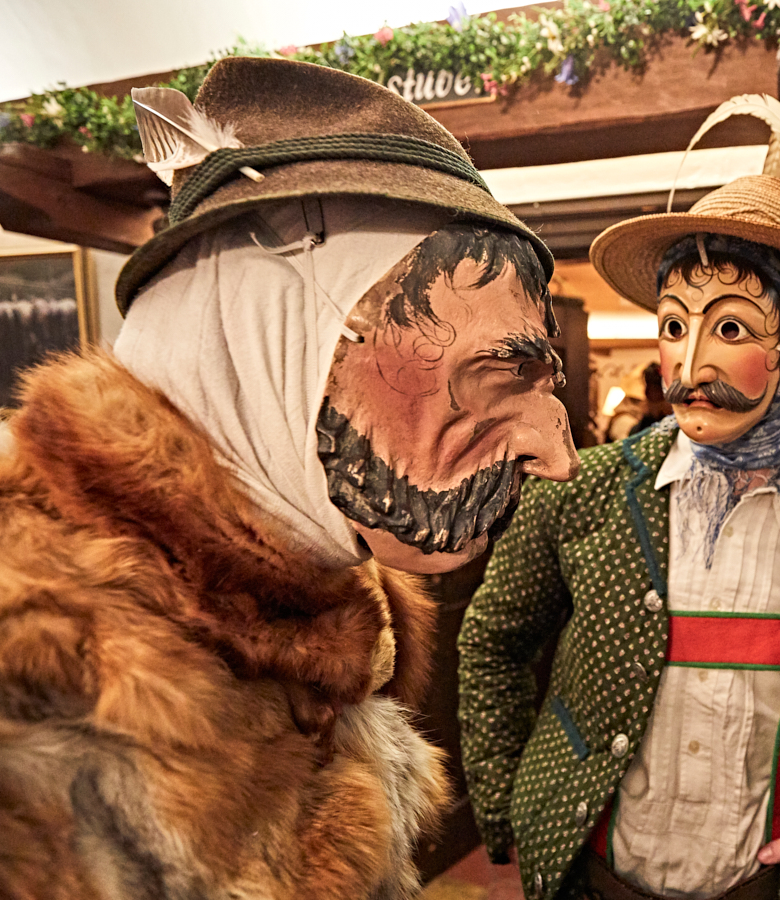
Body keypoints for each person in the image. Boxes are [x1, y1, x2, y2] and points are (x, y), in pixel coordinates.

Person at [0, 57, 577, 900]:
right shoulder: (28, 660)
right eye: (495, 374)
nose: (558, 456)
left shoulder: (342, 612)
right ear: (277, 329)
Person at [458, 174, 780, 900]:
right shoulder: (581, 491)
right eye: (673, 327)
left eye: (731, 330)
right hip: (596, 878)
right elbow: (493, 640)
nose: (692, 364)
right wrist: (509, 802)